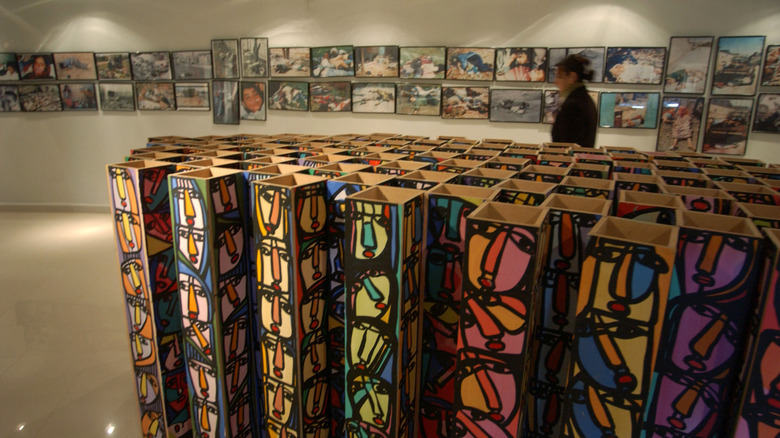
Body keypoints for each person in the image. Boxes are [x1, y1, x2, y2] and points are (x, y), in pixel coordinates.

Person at [551, 54, 598, 148]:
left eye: (559, 76)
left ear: (572, 76)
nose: (555, 82)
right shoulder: (583, 99)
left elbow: (567, 146)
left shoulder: (574, 105)